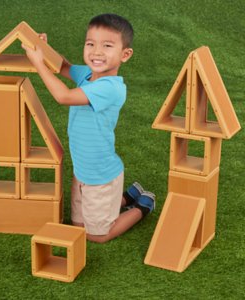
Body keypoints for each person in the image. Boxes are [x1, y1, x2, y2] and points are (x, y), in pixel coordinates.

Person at [22, 13, 155, 243]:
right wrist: (44, 49)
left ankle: (142, 205)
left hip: (101, 175)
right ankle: (125, 196)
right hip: (82, 170)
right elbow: (63, 66)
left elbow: (63, 96)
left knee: (97, 235)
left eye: (107, 46)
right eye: (90, 44)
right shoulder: (87, 74)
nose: (96, 52)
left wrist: (37, 63)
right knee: (78, 225)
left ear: (125, 55)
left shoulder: (110, 88)